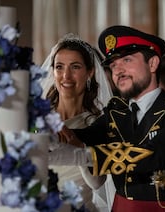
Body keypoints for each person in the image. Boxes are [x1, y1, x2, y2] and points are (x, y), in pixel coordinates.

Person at [49, 25, 165, 212]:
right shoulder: (116, 114)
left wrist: (85, 155)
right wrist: (42, 134)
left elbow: (155, 153)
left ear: (153, 64)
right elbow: (81, 134)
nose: (118, 70)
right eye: (113, 65)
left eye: (127, 60)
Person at [41, 33, 116, 211]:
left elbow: (97, 183)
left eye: (75, 67)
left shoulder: (99, 123)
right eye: (59, 67)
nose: (66, 75)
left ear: (90, 72)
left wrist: (78, 144)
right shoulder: (37, 117)